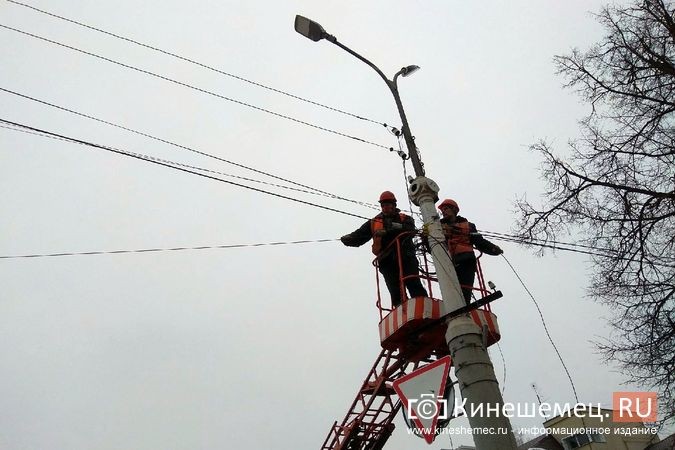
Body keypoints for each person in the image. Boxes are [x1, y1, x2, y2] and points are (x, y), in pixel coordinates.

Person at [340, 191, 428, 307]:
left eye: (388, 204)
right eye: (383, 205)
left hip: (405, 256)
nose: (385, 207)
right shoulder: (374, 222)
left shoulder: (404, 218)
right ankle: (401, 309)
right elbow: (360, 235)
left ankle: (423, 306)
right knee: (394, 288)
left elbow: (411, 230)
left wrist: (387, 232)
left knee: (412, 282)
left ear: (394, 205)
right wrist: (348, 239)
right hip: (386, 260)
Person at [438, 198, 503, 305]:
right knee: (450, 292)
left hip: (466, 260)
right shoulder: (437, 227)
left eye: (446, 208)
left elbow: (479, 242)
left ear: (454, 210)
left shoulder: (468, 226)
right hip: (447, 262)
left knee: (465, 291)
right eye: (442, 210)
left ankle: (464, 308)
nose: (443, 211)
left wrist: (493, 249)